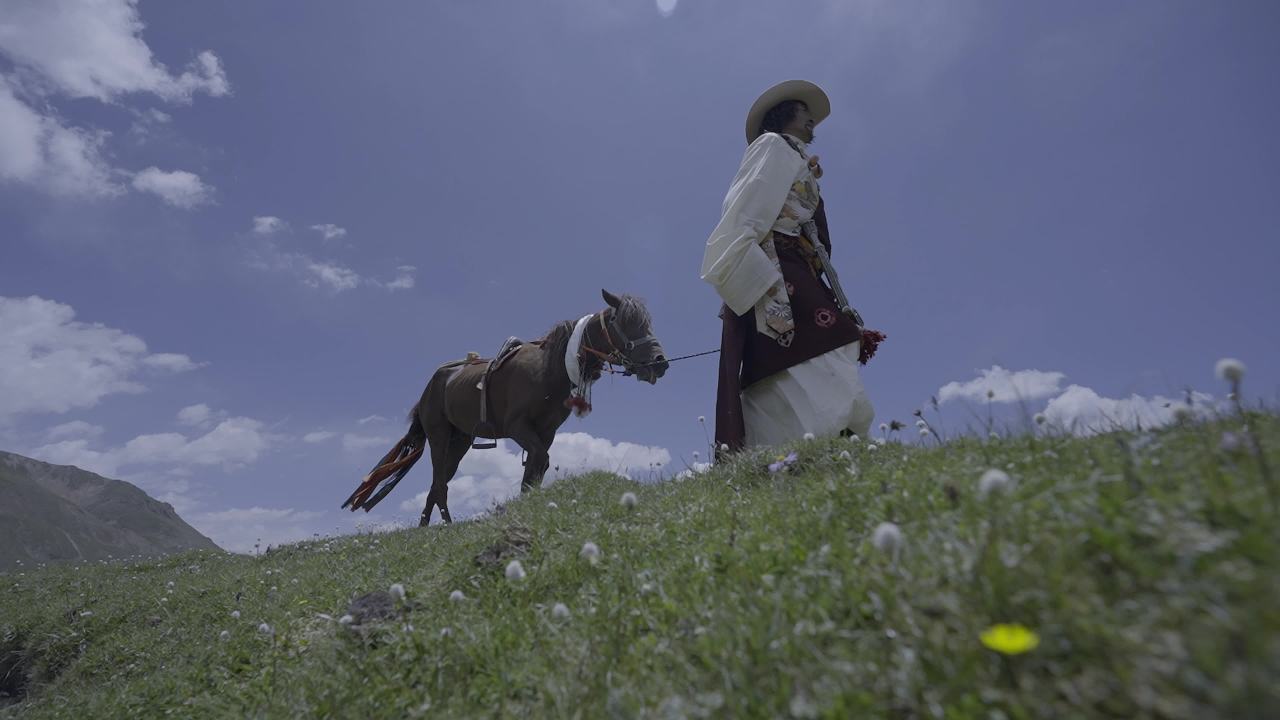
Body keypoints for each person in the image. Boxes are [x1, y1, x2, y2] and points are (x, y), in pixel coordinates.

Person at [701, 80, 877, 455]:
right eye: (804, 111)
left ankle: (826, 439)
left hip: (798, 263)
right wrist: (744, 265)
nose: (812, 119)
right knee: (824, 338)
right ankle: (809, 442)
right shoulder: (771, 146)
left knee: (827, 340)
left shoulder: (796, 158)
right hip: (774, 266)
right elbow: (745, 204)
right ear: (784, 116)